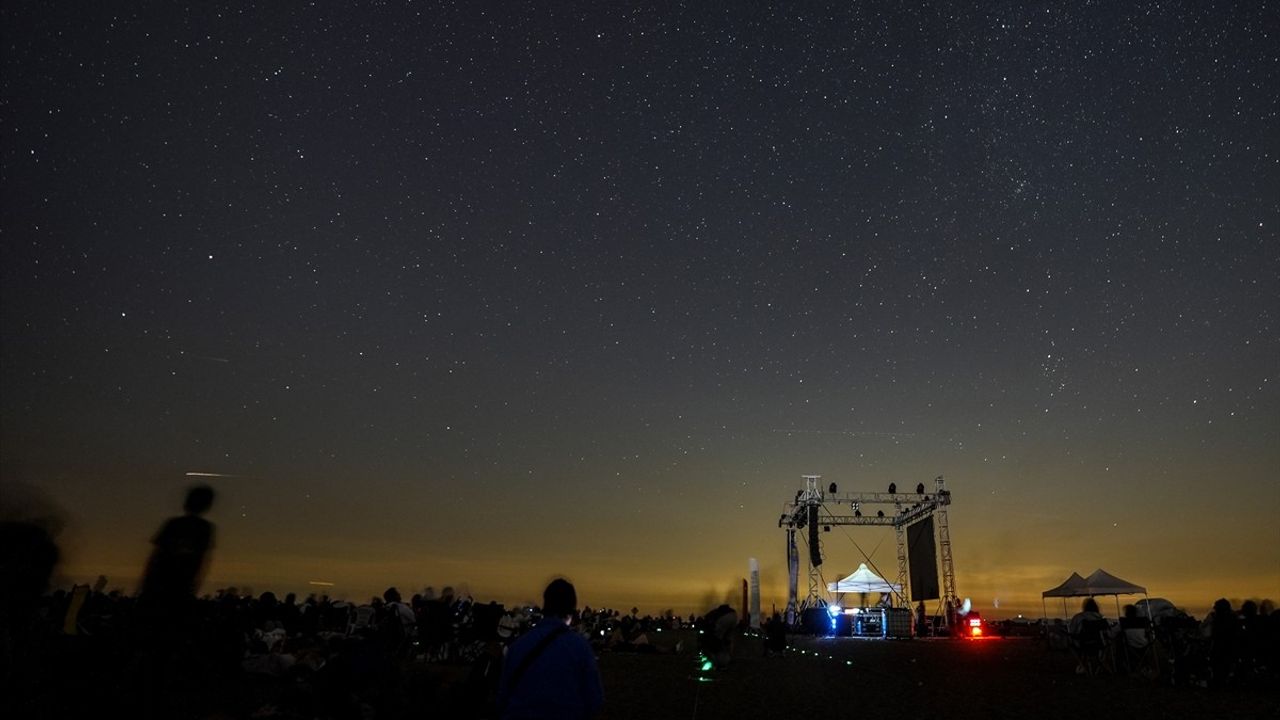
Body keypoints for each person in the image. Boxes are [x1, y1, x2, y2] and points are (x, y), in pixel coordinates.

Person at [497, 578, 603, 719]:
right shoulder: (580, 647)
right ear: (571, 610)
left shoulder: (519, 645)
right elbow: (594, 700)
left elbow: (503, 695)